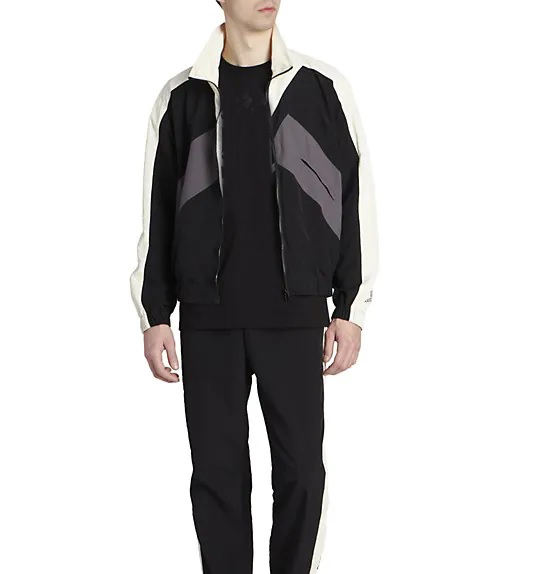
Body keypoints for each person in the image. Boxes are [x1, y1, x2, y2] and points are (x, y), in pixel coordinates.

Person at [130, 1, 379, 571]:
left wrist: (351, 306)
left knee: (302, 475)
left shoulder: (320, 89)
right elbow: (157, 211)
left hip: (295, 315)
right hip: (208, 318)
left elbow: (355, 201)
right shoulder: (182, 98)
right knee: (216, 478)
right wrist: (155, 314)